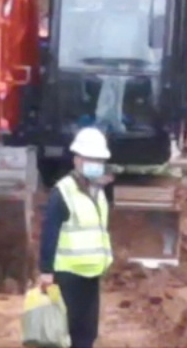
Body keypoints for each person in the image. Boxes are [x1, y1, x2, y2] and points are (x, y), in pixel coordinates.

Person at [39, 127, 116, 348]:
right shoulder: (63, 192)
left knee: (86, 333)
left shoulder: (98, 192)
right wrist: (46, 271)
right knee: (63, 332)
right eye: (90, 158)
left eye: (98, 159)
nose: (95, 163)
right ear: (77, 160)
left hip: (91, 273)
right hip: (68, 275)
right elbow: (50, 232)